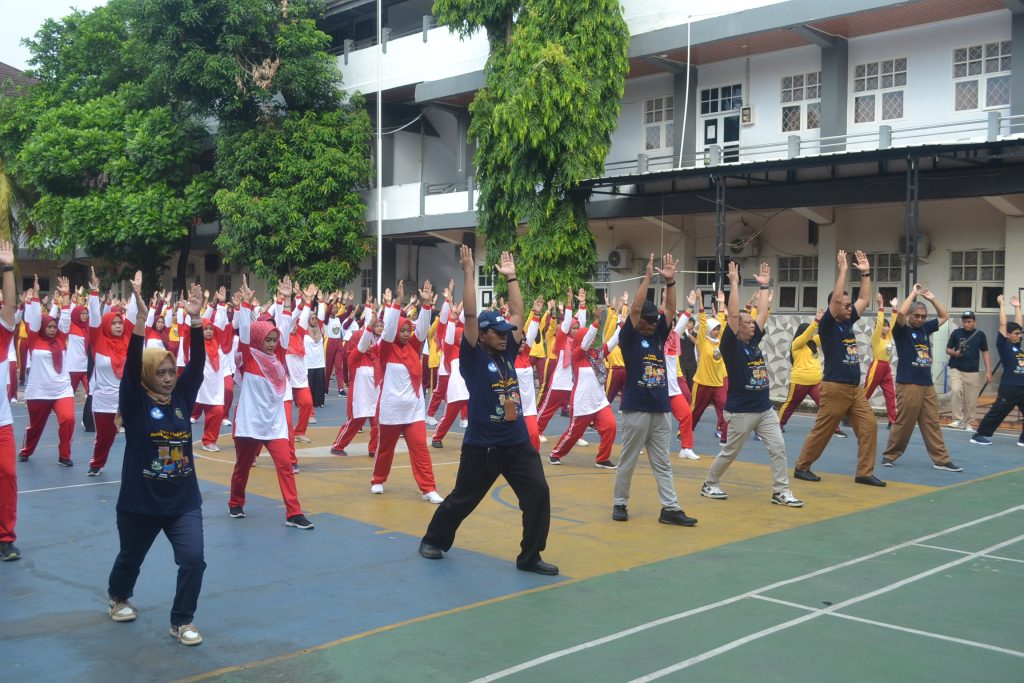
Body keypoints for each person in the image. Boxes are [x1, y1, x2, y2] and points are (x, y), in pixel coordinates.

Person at [419, 247, 556, 575]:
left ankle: (529, 556)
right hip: (484, 447)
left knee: (538, 494)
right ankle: (433, 539)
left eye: (507, 333)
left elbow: (518, 314)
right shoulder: (473, 357)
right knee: (463, 499)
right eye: (498, 332)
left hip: (517, 443)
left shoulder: (507, 350)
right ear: (482, 336)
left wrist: (512, 277)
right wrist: (469, 273)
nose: (506, 336)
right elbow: (469, 315)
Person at [106, 282, 206, 646]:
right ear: (149, 375)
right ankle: (119, 597)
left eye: (171, 372)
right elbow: (131, 369)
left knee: (193, 559)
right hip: (141, 502)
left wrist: (196, 320)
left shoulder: (181, 396)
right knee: (130, 557)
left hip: (182, 501)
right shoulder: (134, 402)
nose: (167, 378)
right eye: (161, 373)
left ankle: (182, 620)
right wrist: (140, 322)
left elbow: (198, 366)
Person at [700, 262, 803, 507]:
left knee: (778, 447)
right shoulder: (731, 346)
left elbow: (763, 313)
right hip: (741, 411)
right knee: (730, 451)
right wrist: (735, 282)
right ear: (737, 328)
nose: (752, 324)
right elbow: (734, 315)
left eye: (751, 322)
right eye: (747, 322)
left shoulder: (753, 341)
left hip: (764, 409)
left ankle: (780, 491)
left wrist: (765, 286)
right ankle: (710, 483)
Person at [611, 253, 697, 526]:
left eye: (654, 321)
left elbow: (669, 310)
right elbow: (635, 310)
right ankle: (620, 502)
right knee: (628, 459)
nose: (652, 324)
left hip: (660, 408)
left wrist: (670, 283)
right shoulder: (630, 338)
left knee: (663, 462)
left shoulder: (659, 333)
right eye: (647, 321)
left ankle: (670, 508)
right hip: (636, 408)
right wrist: (648, 278)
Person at [227, 275, 313, 529]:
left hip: (274, 425)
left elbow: (285, 326)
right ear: (258, 339)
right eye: (267, 339)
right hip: (250, 423)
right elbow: (245, 332)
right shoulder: (249, 356)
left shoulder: (279, 358)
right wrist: (244, 305)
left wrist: (285, 299)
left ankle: (294, 513)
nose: (272, 344)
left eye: (274, 340)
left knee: (285, 466)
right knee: (243, 466)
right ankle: (235, 502)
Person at [794, 249, 885, 487]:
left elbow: (864, 299)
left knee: (869, 426)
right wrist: (843, 270)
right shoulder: (828, 325)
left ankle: (864, 473)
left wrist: (866, 273)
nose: (849, 308)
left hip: (855, 390)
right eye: (845, 305)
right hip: (835, 388)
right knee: (824, 430)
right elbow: (835, 301)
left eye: (849, 305)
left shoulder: (848, 322)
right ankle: (802, 467)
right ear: (834, 307)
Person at [371, 280, 444, 503]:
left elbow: (421, 329)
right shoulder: (385, 349)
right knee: (386, 449)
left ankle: (428, 488)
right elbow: (388, 331)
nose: (405, 333)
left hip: (413, 410)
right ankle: (378, 479)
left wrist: (426, 304)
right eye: (402, 330)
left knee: (420, 448)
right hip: (392, 409)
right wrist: (397, 304)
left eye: (407, 330)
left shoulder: (413, 347)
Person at [880, 285, 962, 472]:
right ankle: (890, 455)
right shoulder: (901, 330)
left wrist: (932, 299)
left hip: (927, 385)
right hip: (908, 384)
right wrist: (913, 293)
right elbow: (901, 312)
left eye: (923, 316)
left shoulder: (925, 328)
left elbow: (944, 316)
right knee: (904, 422)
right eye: (916, 315)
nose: (920, 319)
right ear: (910, 315)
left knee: (932, 422)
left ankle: (941, 460)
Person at [547, 306, 619, 468]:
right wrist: (596, 322)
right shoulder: (576, 355)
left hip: (599, 402)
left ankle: (602, 459)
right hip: (582, 402)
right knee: (574, 433)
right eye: (587, 337)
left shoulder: (597, 354)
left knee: (611, 427)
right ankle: (555, 453)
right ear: (581, 339)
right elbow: (585, 343)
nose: (592, 340)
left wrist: (623, 324)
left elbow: (614, 341)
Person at [85, 268, 139, 475]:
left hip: (128, 398)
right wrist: (94, 291)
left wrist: (136, 291)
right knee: (104, 438)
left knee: (139, 435)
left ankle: (139, 467)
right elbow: (94, 318)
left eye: (119, 322)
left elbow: (132, 316)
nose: (118, 326)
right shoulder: (98, 341)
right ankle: (96, 464)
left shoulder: (128, 339)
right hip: (104, 400)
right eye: (114, 323)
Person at [19, 275, 76, 466]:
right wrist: (35, 294)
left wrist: (66, 295)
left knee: (68, 419)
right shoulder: (34, 339)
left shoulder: (61, 338)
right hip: (39, 391)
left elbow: (65, 318)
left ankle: (64, 455)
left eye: (54, 326)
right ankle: (26, 450)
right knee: (35, 427)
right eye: (49, 327)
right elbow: (35, 318)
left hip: (61, 389)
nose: (53, 329)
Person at [971, 295, 1024, 446]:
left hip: (1022, 387)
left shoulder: (1017, 346)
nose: (1019, 336)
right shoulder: (1004, 345)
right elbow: (1002, 324)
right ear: (1007, 335)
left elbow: (1018, 325)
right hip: (1010, 387)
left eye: (1020, 334)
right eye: (1016, 334)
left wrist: (1017, 307)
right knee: (998, 412)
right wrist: (1001, 305)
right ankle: (979, 435)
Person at [0, 242, 21, 561]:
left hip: (1, 423)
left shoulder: (2, 335)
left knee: (7, 474)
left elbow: (11, 307)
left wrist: (6, 268)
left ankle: (5, 537)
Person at [690, 289, 728, 445]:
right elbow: (703, 322)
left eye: (718, 329)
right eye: (714, 329)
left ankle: (724, 438)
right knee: (696, 412)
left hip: (718, 384)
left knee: (725, 410)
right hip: (702, 383)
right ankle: (685, 433)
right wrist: (700, 301)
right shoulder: (702, 341)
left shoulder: (721, 342)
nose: (717, 331)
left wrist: (721, 305)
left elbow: (722, 322)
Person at [946, 309, 992, 431]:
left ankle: (967, 423)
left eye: (969, 322)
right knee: (956, 390)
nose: (967, 324)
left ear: (974, 322)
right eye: (965, 322)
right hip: (956, 368)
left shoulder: (980, 334)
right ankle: (957, 419)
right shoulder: (956, 333)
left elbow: (985, 352)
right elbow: (948, 349)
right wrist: (955, 353)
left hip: (973, 371)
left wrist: (988, 370)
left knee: (971, 400)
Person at [864, 294, 898, 429]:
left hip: (886, 368)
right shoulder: (876, 338)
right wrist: (881, 306)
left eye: (887, 326)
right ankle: (850, 415)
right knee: (865, 394)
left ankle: (892, 420)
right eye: (885, 326)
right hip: (877, 366)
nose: (886, 328)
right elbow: (879, 324)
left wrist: (894, 308)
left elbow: (893, 324)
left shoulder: (888, 337)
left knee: (891, 395)